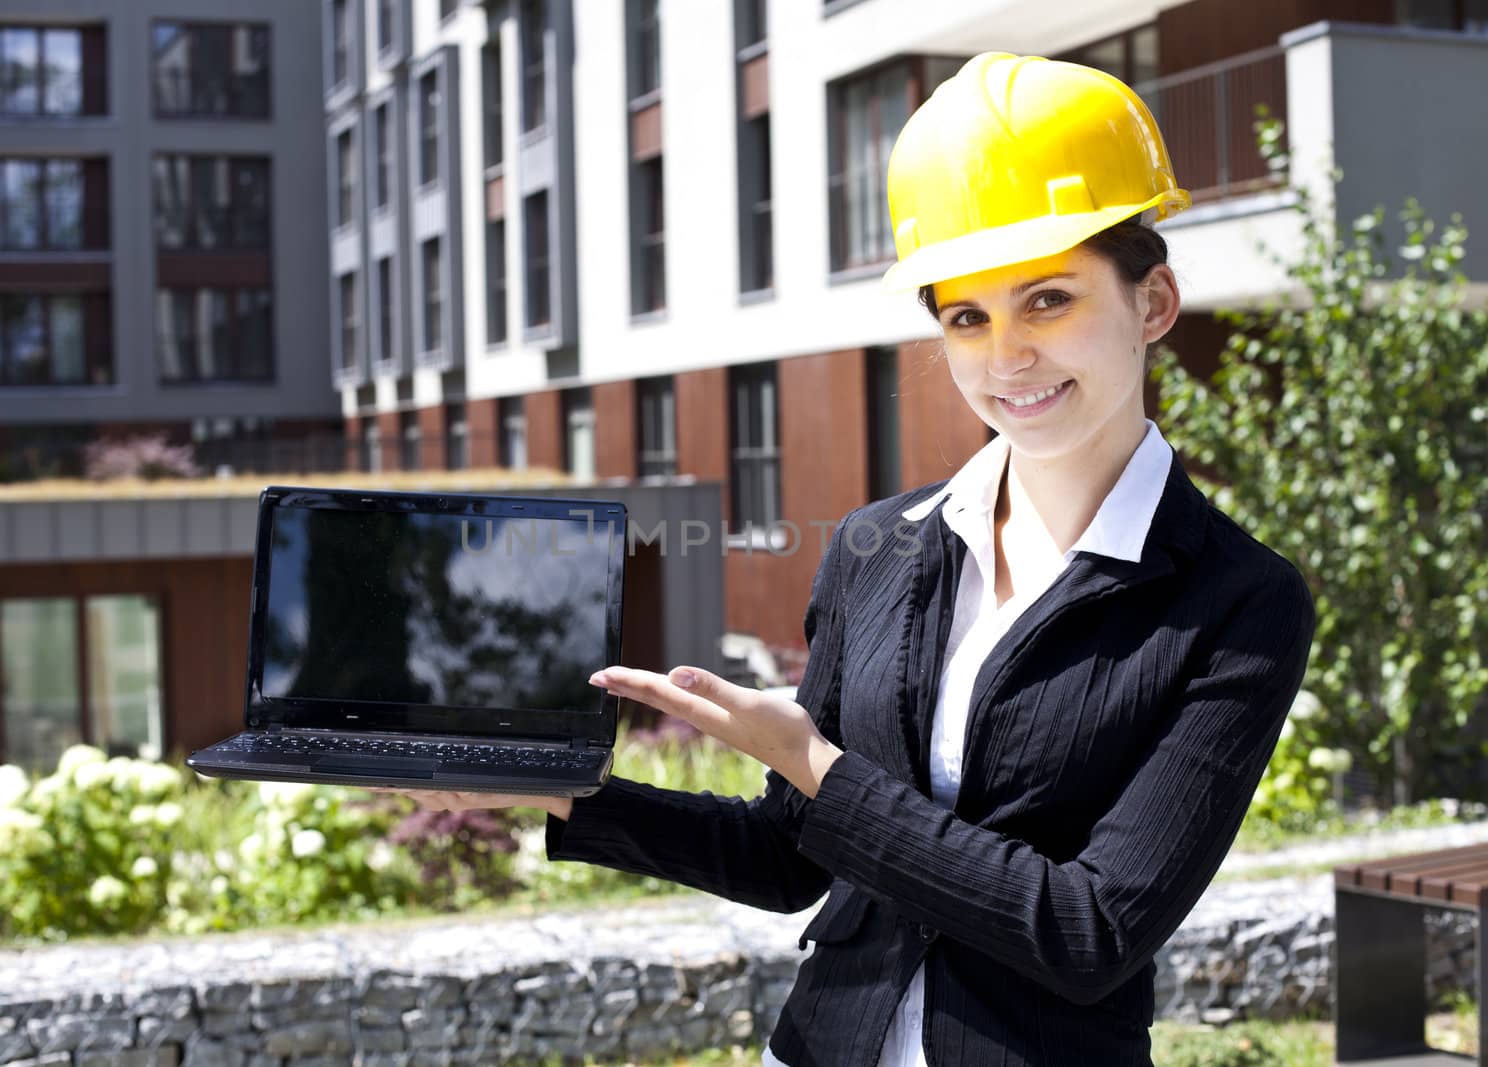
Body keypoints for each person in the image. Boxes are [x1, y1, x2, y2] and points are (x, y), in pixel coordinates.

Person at [374, 51, 1317, 1066]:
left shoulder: (1236, 601)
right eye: (967, 317)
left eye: (1048, 299)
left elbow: (1089, 931)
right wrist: (558, 793)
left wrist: (813, 764)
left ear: (1153, 302)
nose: (1006, 356)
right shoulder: (878, 546)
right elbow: (789, 852)